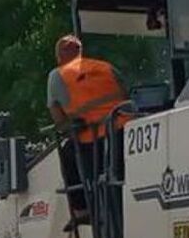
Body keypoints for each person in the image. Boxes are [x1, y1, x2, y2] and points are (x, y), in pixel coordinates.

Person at [45, 34, 129, 218]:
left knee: (67, 154)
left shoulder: (57, 75)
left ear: (60, 55)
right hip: (124, 132)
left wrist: (70, 124)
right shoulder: (106, 67)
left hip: (92, 138)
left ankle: (82, 209)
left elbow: (58, 120)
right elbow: (125, 96)